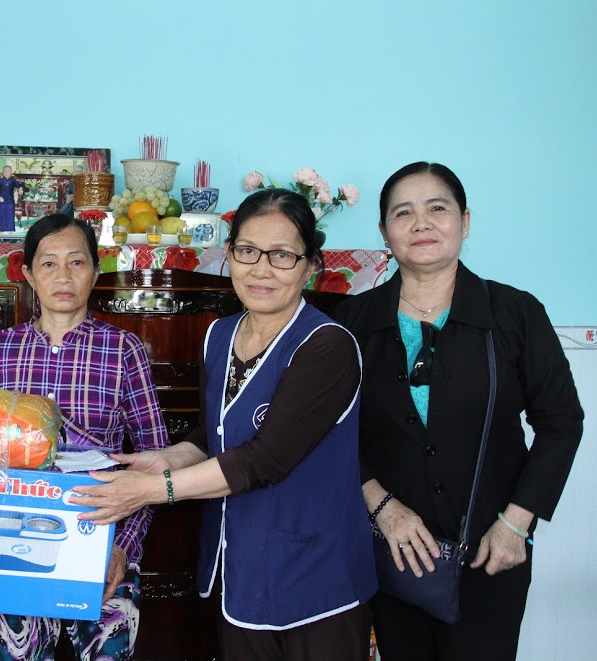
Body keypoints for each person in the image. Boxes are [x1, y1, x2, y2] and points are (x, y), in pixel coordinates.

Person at [72, 189, 376, 661]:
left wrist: (151, 491)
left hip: (316, 576)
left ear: (310, 266)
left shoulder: (326, 346)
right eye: (248, 251)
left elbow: (264, 460)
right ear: (230, 254)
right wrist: (166, 460)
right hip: (240, 570)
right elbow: (212, 432)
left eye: (282, 255)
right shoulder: (219, 334)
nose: (261, 269)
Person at [332, 162, 583, 661]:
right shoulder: (352, 321)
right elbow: (330, 431)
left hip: (493, 549)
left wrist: (516, 524)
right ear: (384, 231)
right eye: (403, 213)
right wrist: (381, 507)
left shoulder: (515, 313)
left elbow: (561, 423)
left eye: (437, 208)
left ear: (464, 222)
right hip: (390, 549)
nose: (421, 224)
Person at [0, 213, 168, 660]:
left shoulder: (123, 350)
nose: (63, 276)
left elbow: (156, 463)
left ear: (96, 271)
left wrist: (122, 548)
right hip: (18, 537)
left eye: (77, 262)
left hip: (102, 536)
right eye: (48, 263)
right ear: (28, 274)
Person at [0, 165, 24, 232]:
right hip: (1, 198)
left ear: (11, 172)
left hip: (10, 199)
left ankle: (10, 228)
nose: (7, 172)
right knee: (2, 211)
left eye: (8, 171)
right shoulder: (0, 181)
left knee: (10, 211)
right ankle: (1, 229)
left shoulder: (13, 180)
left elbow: (20, 185)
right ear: (3, 172)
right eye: (5, 171)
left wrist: (21, 188)